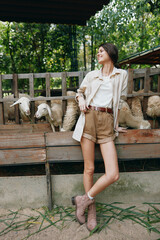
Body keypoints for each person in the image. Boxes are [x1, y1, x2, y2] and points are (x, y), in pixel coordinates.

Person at [71, 42, 128, 231]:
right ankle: (91, 212)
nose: (98, 54)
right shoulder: (92, 75)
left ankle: (83, 199)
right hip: (89, 118)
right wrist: (81, 101)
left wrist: (116, 124)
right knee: (89, 168)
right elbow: (79, 93)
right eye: (97, 52)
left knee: (113, 174)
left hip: (107, 121)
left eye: (101, 51)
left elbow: (119, 102)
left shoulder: (122, 75)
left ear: (111, 53)